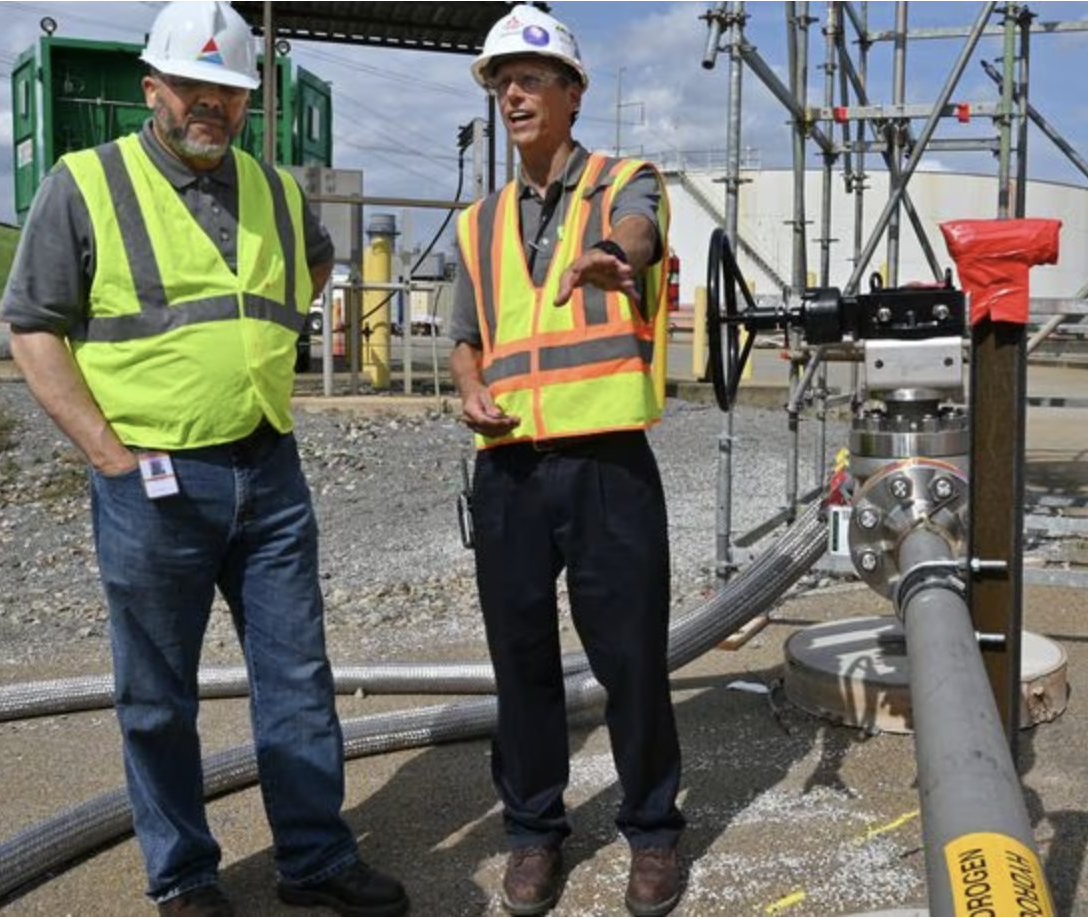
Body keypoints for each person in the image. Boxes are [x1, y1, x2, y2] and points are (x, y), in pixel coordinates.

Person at [0, 3, 407, 916]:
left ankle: (313, 858)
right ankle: (183, 876)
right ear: (153, 89)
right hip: (151, 480)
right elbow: (32, 327)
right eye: (191, 87)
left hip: (268, 467)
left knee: (297, 677)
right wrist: (105, 451)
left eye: (227, 92)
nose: (208, 107)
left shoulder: (274, 189)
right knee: (157, 695)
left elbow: (313, 268)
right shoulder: (85, 183)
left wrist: (254, 357)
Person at [448, 6, 686, 917]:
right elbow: (465, 338)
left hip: (605, 465)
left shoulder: (626, 183)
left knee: (629, 658)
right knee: (521, 664)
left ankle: (654, 832)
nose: (512, 92)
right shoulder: (478, 225)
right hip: (506, 466)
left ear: (573, 95)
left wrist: (615, 258)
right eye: (501, 80)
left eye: (531, 78)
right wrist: (467, 386)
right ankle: (534, 833)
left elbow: (640, 231)